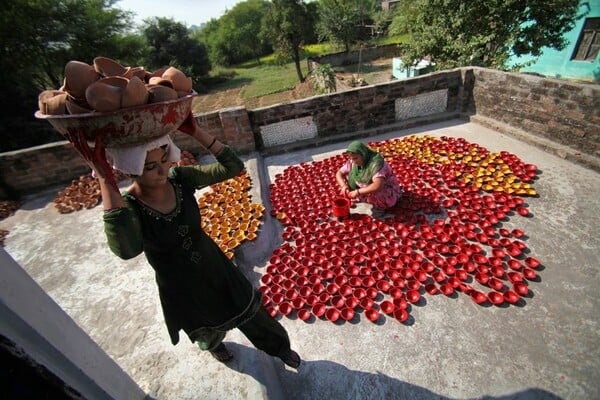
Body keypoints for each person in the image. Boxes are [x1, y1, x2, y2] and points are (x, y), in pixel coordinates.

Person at [89, 113, 301, 368]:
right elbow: (126, 250)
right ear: (130, 170)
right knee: (205, 326)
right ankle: (214, 346)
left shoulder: (180, 180)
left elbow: (232, 167)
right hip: (181, 283)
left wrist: (196, 131)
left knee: (249, 311)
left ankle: (279, 347)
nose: (162, 170)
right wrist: (104, 178)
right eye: (149, 166)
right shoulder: (131, 208)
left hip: (214, 265)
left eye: (164, 159)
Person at [335, 140, 400, 217]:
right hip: (366, 187)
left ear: (363, 154)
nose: (353, 161)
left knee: (379, 191)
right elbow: (339, 173)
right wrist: (343, 186)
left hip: (385, 189)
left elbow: (377, 185)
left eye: (356, 158)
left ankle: (380, 207)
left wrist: (358, 192)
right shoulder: (352, 162)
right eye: (351, 158)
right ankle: (364, 197)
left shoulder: (376, 164)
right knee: (350, 175)